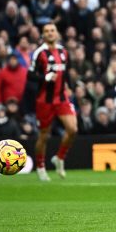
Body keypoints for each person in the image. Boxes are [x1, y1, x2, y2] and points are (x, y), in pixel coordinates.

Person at [28, 23, 78, 181]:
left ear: (57, 33)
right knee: (44, 135)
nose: (50, 33)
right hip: (45, 100)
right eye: (47, 31)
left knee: (73, 129)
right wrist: (45, 77)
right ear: (43, 34)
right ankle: (41, 167)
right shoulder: (39, 53)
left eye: (52, 30)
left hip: (62, 97)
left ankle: (59, 158)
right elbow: (30, 76)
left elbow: (66, 72)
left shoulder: (64, 52)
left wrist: (68, 86)